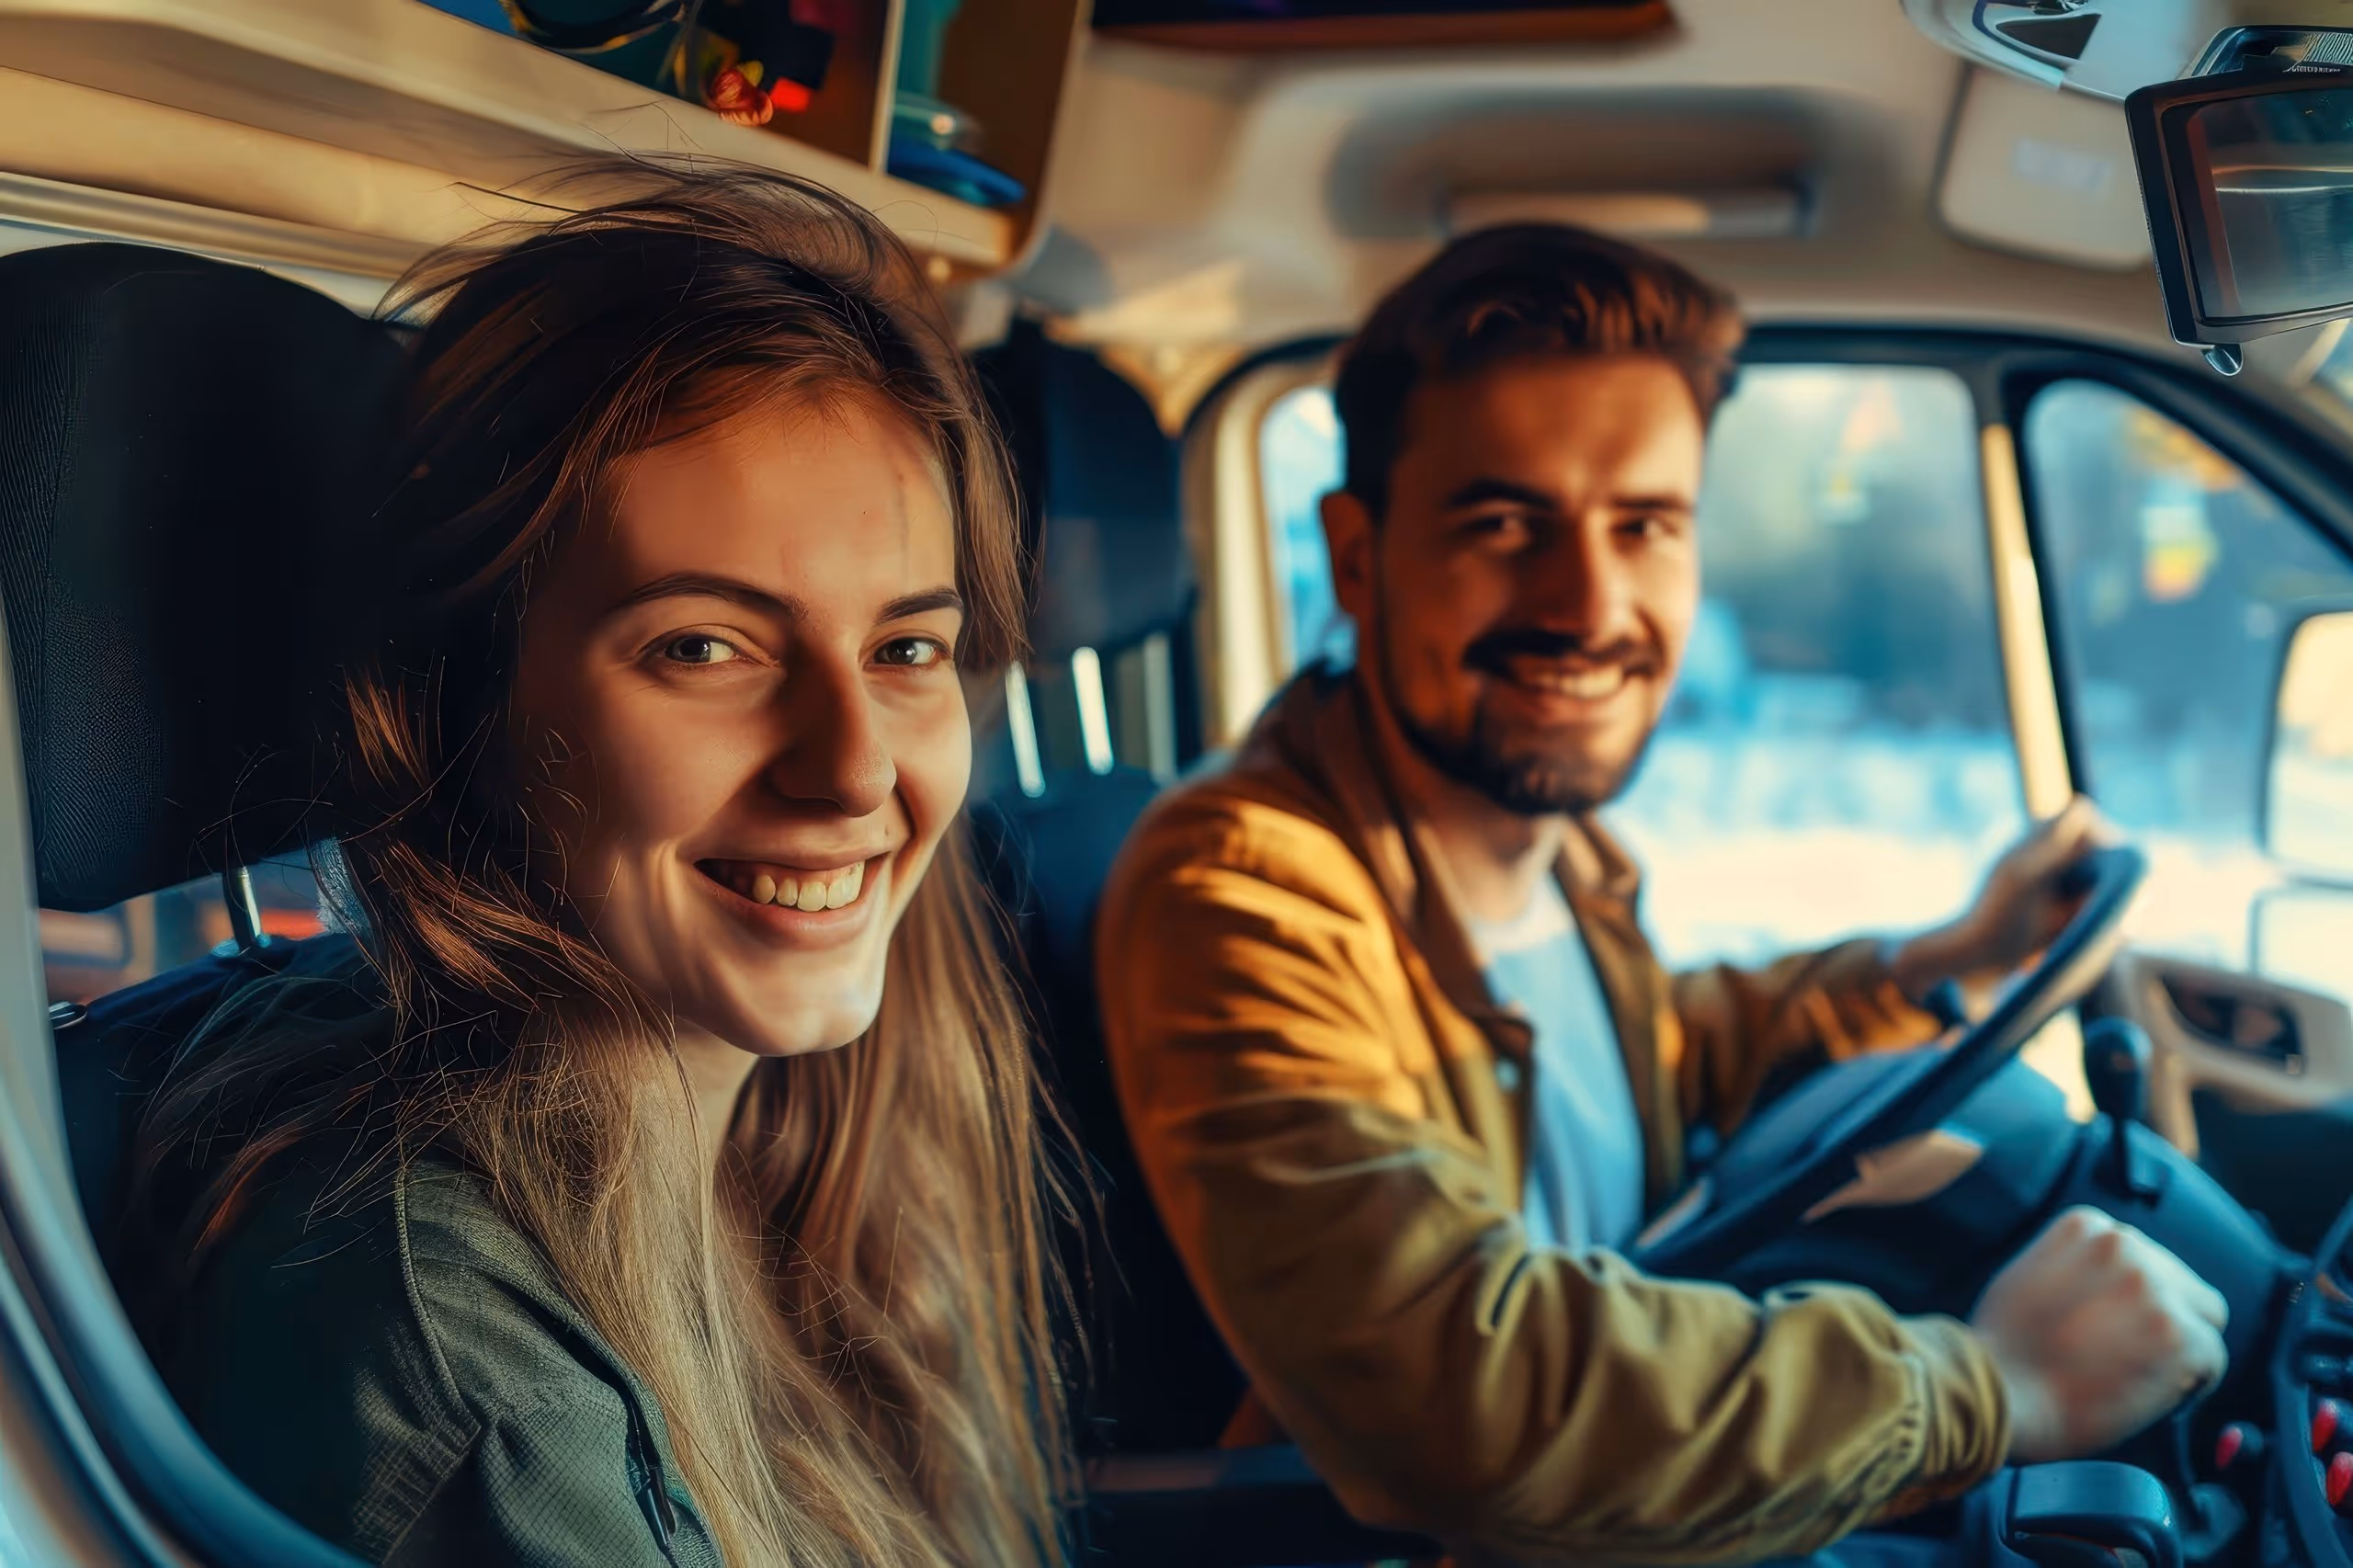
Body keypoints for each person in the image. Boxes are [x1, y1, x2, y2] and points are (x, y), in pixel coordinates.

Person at [1094, 224, 2228, 1563]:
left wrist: (1951, 958)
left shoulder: (1549, 839)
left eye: (1644, 525)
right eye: (1505, 523)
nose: (1589, 603)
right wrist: (1988, 1388)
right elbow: (1452, 1382)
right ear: (1357, 556)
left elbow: (1664, 1058)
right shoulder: (1242, 887)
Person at [119, 165, 1074, 1567]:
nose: (857, 769)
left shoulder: (778, 1149)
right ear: (462, 700)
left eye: (905, 649)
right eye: (705, 646)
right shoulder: (457, 1353)